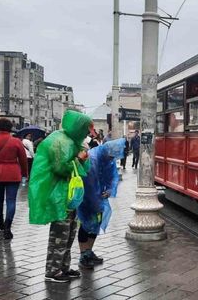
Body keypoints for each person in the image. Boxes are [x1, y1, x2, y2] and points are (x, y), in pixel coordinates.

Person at [28, 110, 94, 283]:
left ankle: (63, 267)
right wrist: (79, 159)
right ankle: (53, 271)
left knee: (69, 232)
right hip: (58, 196)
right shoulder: (60, 141)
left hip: (67, 195)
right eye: (85, 130)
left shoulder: (69, 140)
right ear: (78, 127)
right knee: (60, 233)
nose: (87, 134)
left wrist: (80, 158)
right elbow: (61, 168)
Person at [78, 138, 125, 269]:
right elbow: (90, 182)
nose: (112, 159)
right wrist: (95, 201)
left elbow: (112, 176)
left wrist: (109, 190)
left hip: (98, 196)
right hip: (87, 197)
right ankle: (83, 255)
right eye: (111, 156)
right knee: (85, 224)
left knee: (95, 224)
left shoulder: (107, 159)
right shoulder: (93, 158)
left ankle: (89, 251)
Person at [0, 118, 28, 240]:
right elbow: (23, 159)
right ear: (10, 128)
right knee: (11, 200)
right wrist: (25, 173)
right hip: (13, 173)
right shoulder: (16, 141)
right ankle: (8, 226)